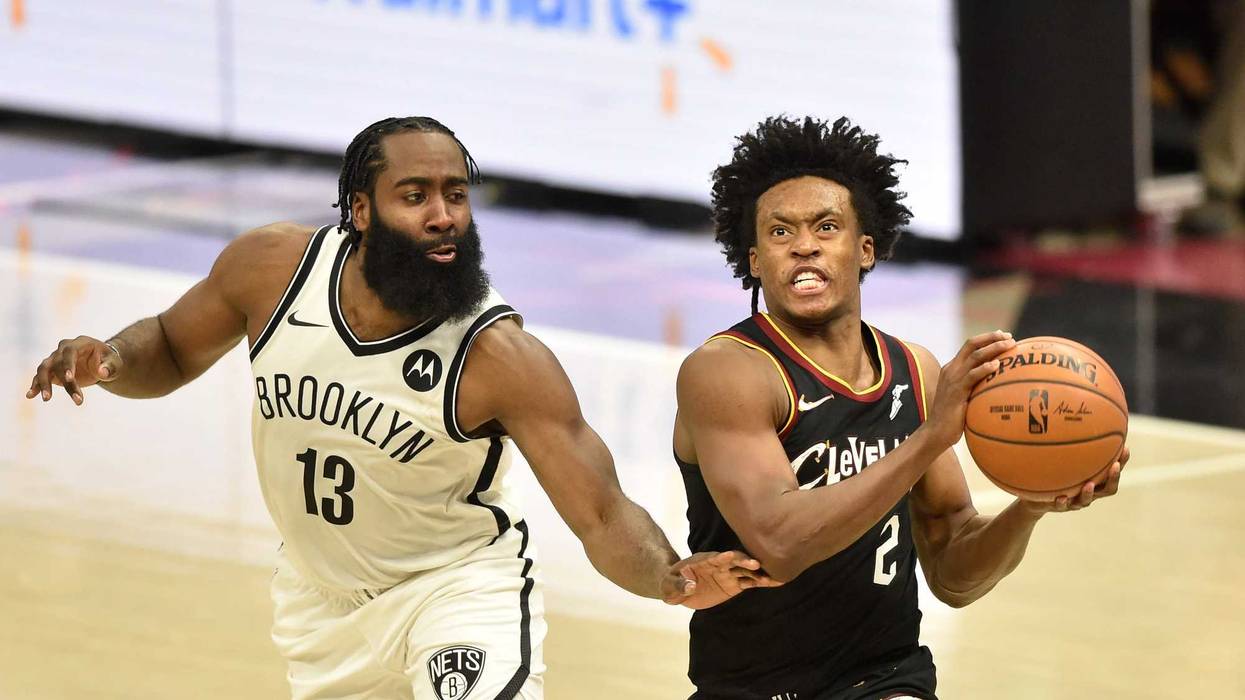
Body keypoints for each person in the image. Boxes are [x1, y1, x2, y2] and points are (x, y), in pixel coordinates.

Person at [25, 116, 772, 700]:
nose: (444, 215)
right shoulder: (271, 270)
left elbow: (602, 514)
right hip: (321, 604)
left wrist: (669, 577)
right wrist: (111, 358)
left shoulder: (498, 356)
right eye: (415, 196)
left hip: (454, 590)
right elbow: (170, 346)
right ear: (360, 210)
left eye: (456, 195)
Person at [672, 116, 1130, 700]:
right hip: (751, 688)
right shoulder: (727, 372)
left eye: (826, 227)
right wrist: (929, 437)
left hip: (885, 678)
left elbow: (954, 575)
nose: (804, 245)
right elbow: (779, 543)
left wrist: (1030, 506)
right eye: (780, 232)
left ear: (865, 249)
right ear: (756, 260)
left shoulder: (914, 370)